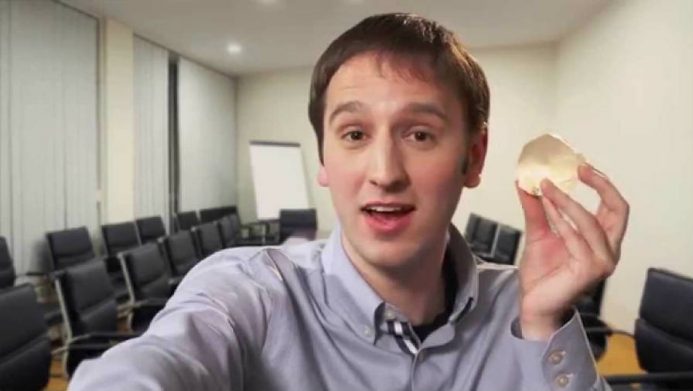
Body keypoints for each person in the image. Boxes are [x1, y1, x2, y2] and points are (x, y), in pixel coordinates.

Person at [69, 13, 629, 391]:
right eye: (355, 135)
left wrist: (543, 323)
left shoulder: (524, 306)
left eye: (420, 134)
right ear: (323, 158)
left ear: (474, 157)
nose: (383, 174)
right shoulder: (250, 294)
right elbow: (158, 364)